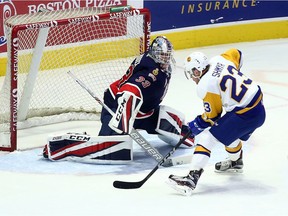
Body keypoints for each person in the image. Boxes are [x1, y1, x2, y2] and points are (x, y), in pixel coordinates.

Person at [43, 36, 194, 164]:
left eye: (167, 55)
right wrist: (124, 120)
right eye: (162, 56)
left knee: (179, 133)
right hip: (117, 107)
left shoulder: (161, 66)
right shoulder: (150, 70)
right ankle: (60, 145)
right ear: (154, 54)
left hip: (143, 112)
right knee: (112, 148)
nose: (166, 59)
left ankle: (178, 128)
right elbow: (129, 90)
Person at [167, 48, 266, 195]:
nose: (193, 78)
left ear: (197, 70)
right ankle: (236, 162)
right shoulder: (220, 60)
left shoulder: (205, 85)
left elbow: (213, 116)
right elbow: (237, 53)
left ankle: (190, 180)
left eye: (192, 74)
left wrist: (195, 125)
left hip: (245, 113)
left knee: (208, 138)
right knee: (228, 134)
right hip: (258, 105)